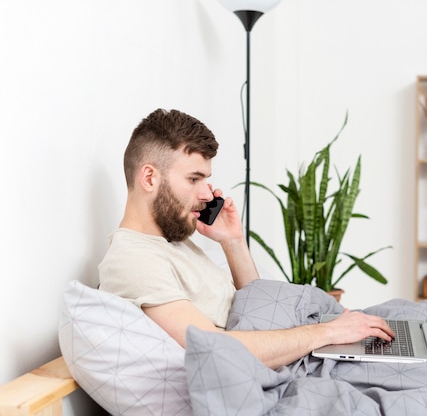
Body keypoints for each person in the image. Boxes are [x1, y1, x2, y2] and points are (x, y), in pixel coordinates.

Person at [99, 108, 395, 369]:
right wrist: (329, 333)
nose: (206, 193)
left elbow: (259, 303)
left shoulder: (171, 239)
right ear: (149, 178)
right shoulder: (133, 260)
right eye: (194, 179)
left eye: (205, 179)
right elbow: (215, 347)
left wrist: (232, 241)